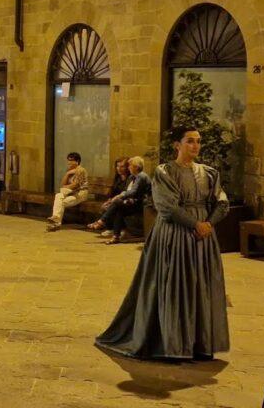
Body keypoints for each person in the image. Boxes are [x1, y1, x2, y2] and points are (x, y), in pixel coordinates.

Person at [96, 127, 229, 360]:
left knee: (200, 286)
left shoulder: (209, 173)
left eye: (198, 141)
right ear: (177, 145)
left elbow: (221, 202)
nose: (195, 146)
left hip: (203, 238)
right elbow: (167, 207)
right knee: (175, 284)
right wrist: (195, 224)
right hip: (175, 235)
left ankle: (199, 342)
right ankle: (172, 343)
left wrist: (209, 224)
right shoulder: (164, 172)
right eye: (190, 141)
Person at [103, 156, 152, 245]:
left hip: (144, 205)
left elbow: (133, 192)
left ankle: (103, 221)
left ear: (136, 167)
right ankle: (115, 236)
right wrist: (117, 198)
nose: (128, 168)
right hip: (134, 202)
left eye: (130, 166)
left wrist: (119, 196)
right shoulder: (132, 177)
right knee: (119, 208)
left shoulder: (141, 176)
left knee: (117, 203)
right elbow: (126, 191)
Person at [46, 152, 88, 232]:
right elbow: (63, 184)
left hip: (80, 194)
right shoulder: (70, 171)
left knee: (60, 200)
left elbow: (75, 185)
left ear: (77, 161)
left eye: (71, 160)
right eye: (68, 160)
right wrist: (68, 173)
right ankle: (56, 220)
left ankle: (56, 222)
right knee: (59, 197)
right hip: (71, 193)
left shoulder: (81, 170)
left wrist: (65, 187)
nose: (69, 162)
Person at [86, 157, 130, 233]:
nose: (119, 169)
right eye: (117, 166)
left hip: (124, 201)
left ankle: (103, 224)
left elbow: (126, 193)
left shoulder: (130, 178)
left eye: (122, 166)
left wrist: (112, 201)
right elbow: (113, 191)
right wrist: (109, 200)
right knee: (105, 206)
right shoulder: (118, 178)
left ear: (127, 167)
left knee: (114, 206)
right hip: (115, 200)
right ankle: (109, 228)